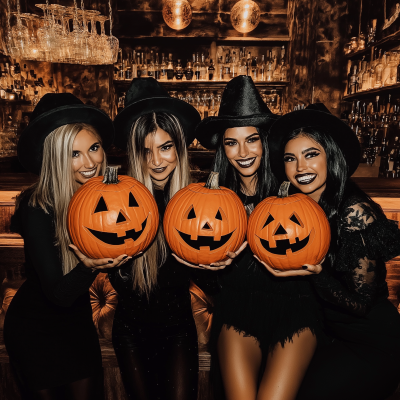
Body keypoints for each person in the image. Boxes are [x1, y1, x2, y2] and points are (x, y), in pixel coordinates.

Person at [194, 76, 324, 400]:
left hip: (295, 307)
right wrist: (204, 267)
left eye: (252, 139)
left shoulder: (294, 187)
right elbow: (210, 276)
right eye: (231, 142)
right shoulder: (212, 200)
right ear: (222, 148)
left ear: (265, 141)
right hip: (238, 308)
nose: (243, 152)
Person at [110, 77, 235, 400]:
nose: (156, 161)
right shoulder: (120, 203)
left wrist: (215, 265)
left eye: (165, 147)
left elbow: (214, 287)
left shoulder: (197, 204)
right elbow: (124, 284)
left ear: (179, 148)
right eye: (145, 150)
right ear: (135, 154)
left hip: (178, 330)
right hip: (131, 332)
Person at [267, 103, 400, 400]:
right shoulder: (298, 209)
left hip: (373, 342)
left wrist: (317, 275)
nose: (301, 167)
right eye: (291, 158)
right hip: (330, 336)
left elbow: (361, 304)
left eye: (311, 155)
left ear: (331, 156)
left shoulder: (354, 211)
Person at [4, 93, 129, 400]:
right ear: (55, 158)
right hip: (35, 330)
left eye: (94, 148)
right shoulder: (37, 207)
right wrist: (88, 266)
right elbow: (59, 294)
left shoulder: (98, 199)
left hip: (76, 324)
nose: (90, 163)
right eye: (74, 154)